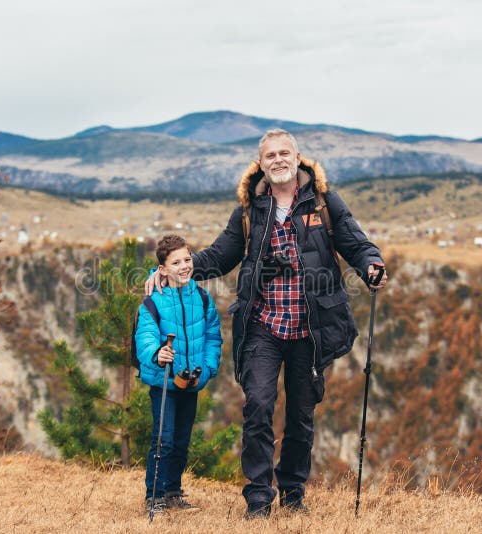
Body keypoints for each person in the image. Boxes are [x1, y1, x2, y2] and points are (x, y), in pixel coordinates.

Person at [146, 129, 387, 519]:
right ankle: (259, 497)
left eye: (283, 153)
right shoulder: (248, 209)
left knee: (301, 416)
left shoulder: (323, 202)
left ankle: (293, 493)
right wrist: (180, 270)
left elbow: (354, 242)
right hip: (262, 325)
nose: (277, 160)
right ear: (261, 164)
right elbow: (221, 254)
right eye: (270, 155)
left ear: (297, 157)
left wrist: (372, 264)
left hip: (309, 328)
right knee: (257, 406)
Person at [135, 234, 222, 515]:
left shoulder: (203, 298)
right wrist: (157, 353)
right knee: (164, 440)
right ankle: (154, 496)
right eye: (176, 262)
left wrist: (207, 369)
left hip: (192, 380)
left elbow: (213, 337)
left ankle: (173, 492)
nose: (184, 266)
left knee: (182, 440)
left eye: (187, 259)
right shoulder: (152, 302)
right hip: (163, 381)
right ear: (162, 269)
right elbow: (145, 336)